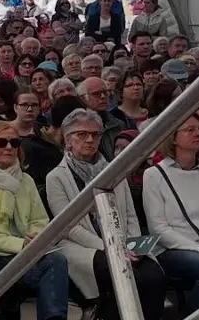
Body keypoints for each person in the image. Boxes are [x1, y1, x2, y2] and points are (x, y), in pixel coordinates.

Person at [45, 109, 166, 320]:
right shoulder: (56, 177)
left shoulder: (113, 169)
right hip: (85, 246)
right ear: (67, 140)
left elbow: (129, 214)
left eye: (95, 134)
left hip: (123, 242)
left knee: (154, 276)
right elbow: (69, 227)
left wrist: (132, 243)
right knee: (124, 276)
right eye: (82, 134)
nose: (90, 139)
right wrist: (112, 248)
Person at [0, 120, 69, 320]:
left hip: (26, 251)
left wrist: (35, 236)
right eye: (2, 143)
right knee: (50, 267)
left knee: (57, 260)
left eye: (15, 143)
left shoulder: (25, 180)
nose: (9, 147)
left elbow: (39, 219)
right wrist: (20, 244)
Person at [142, 114, 199, 314]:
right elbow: (159, 229)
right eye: (190, 130)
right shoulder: (154, 175)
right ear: (173, 137)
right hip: (175, 249)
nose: (198, 133)